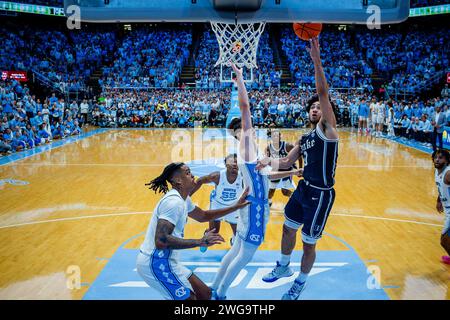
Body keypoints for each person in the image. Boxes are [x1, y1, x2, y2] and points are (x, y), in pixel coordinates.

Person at [210, 63, 301, 300]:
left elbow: (267, 176)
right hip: (255, 208)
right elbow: (245, 107)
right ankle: (220, 294)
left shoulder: (251, 153)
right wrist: (240, 79)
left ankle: (215, 288)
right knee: (244, 256)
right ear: (241, 130)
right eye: (247, 126)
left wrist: (292, 174)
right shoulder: (247, 145)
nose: (251, 126)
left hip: (250, 205)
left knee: (235, 251)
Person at [257, 37, 339, 300]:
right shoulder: (304, 138)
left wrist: (316, 60)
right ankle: (283, 267)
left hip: (322, 194)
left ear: (325, 113)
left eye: (319, 107)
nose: (316, 109)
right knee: (287, 227)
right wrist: (264, 161)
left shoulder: (329, 130)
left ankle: (300, 282)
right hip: (304, 188)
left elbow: (323, 93)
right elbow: (284, 163)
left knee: (308, 241)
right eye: (312, 107)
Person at [136, 162, 250, 300]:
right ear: (178, 180)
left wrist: (235, 206)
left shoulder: (184, 200)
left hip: (170, 261)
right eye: (188, 173)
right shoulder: (173, 203)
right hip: (155, 262)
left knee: (205, 294)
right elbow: (161, 241)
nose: (193, 175)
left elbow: (203, 216)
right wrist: (200, 242)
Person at [190, 153, 243, 245]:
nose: (235, 164)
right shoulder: (217, 176)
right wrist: (187, 196)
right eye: (232, 162)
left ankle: (233, 242)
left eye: (237, 162)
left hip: (233, 207)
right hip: (217, 205)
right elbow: (200, 181)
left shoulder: (243, 179)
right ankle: (207, 234)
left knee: (239, 235)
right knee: (214, 233)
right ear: (226, 164)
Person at [266, 129, 300, 206]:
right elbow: (267, 160)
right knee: (271, 191)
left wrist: (299, 167)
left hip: (287, 170)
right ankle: (269, 202)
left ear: (280, 137)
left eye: (277, 136)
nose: (275, 137)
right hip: (275, 171)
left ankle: (297, 200)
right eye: (273, 136)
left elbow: (298, 154)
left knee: (284, 191)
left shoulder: (287, 146)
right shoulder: (269, 148)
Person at [432, 149, 450, 265]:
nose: (437, 160)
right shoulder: (437, 171)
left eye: (441, 158)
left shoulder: (448, 174)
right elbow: (441, 187)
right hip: (447, 210)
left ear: (447, 160)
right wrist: (439, 200)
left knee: (444, 240)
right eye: (436, 157)